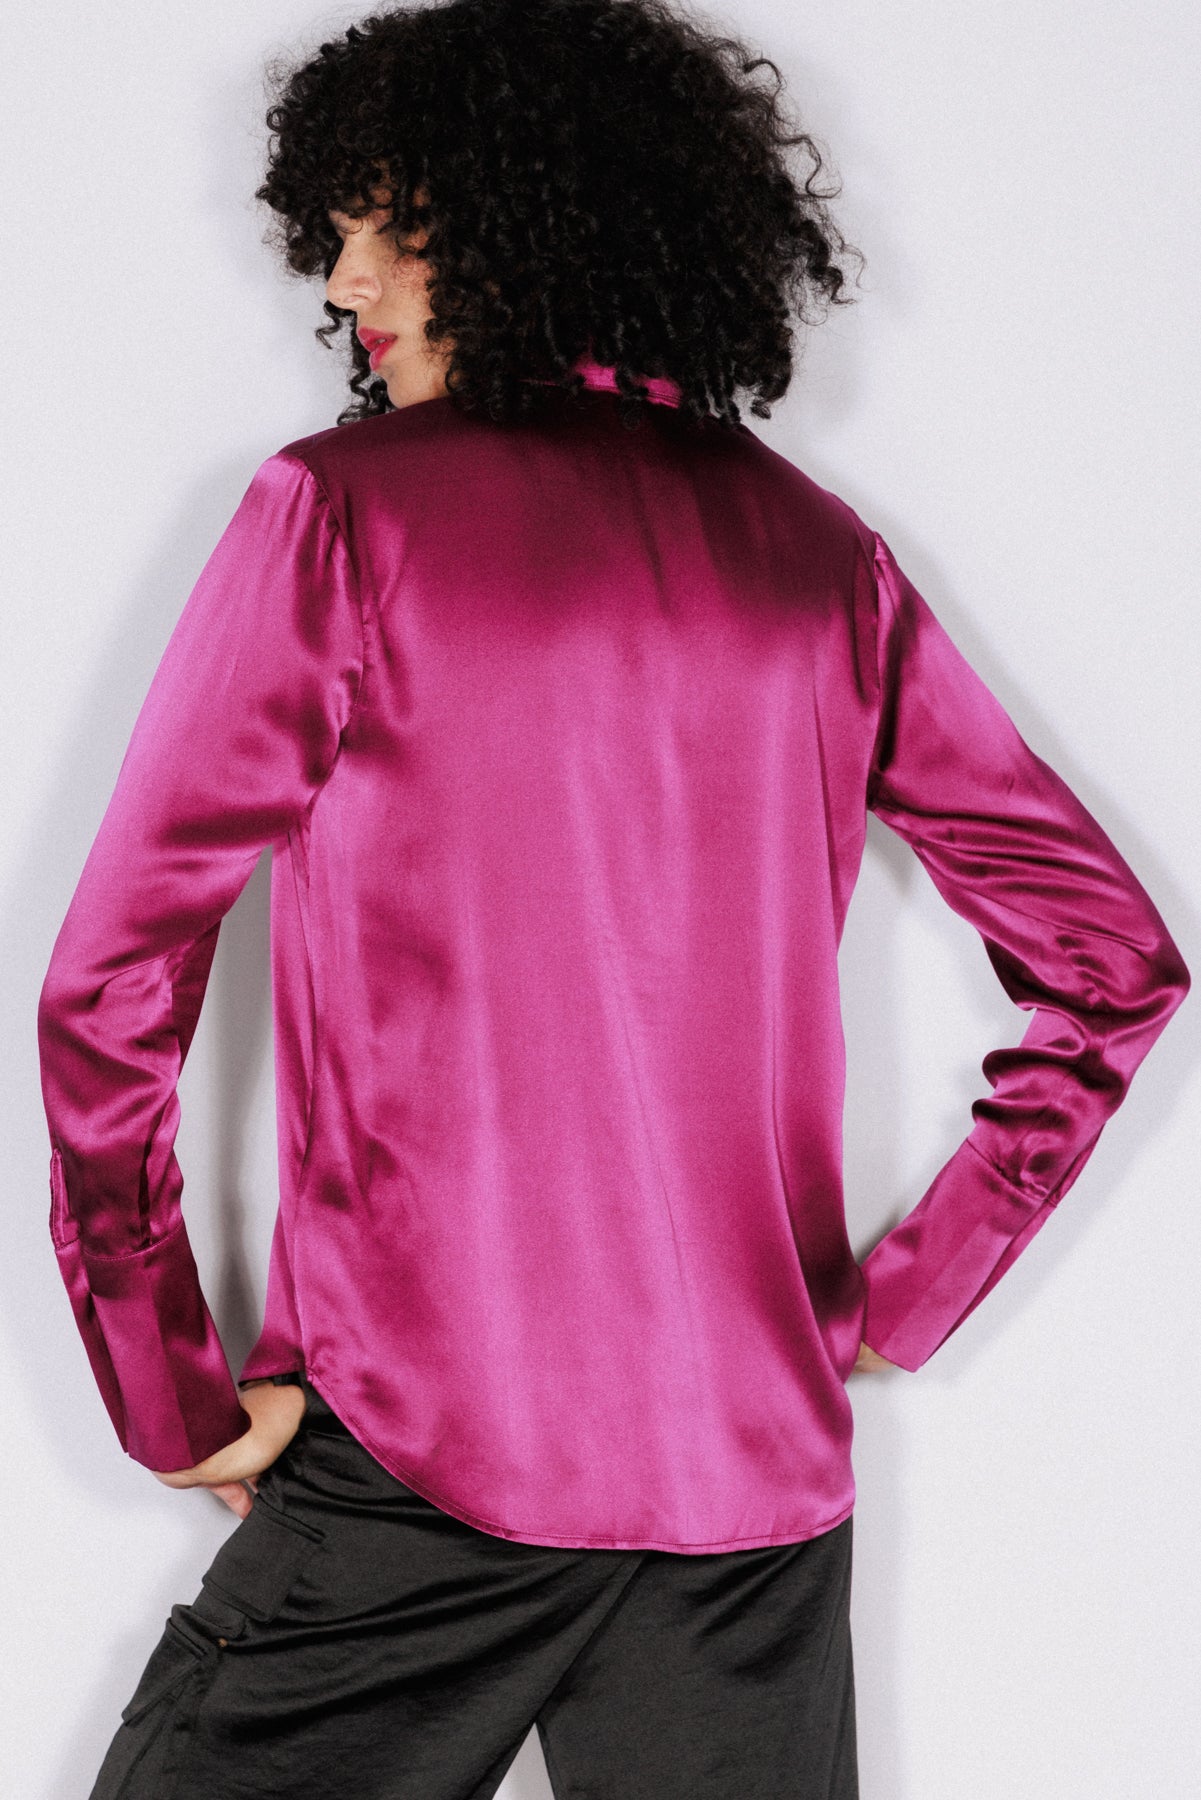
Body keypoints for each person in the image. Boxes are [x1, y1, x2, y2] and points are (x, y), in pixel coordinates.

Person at [36, 2, 1189, 1796]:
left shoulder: (334, 518)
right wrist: (904, 1288)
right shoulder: (817, 556)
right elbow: (1111, 961)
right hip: (750, 1502)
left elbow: (113, 980)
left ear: (504, 220)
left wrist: (164, 1379)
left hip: (421, 1463)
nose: (339, 275)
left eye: (381, 219)